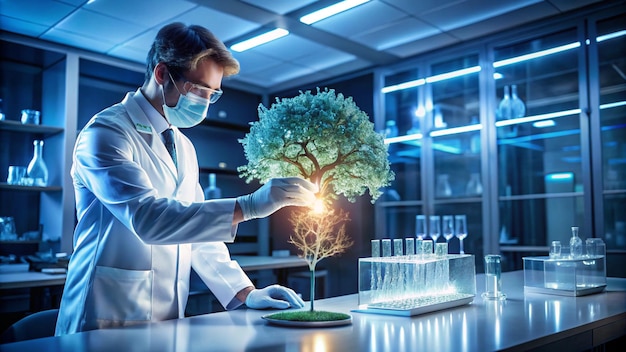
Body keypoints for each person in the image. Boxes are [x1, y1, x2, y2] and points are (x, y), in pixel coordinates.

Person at [55, 22, 318, 335]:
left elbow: (197, 234)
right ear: (162, 74)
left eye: (213, 94)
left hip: (166, 320)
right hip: (104, 314)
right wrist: (248, 206)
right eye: (199, 90)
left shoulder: (183, 146)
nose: (205, 103)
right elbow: (149, 219)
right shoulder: (106, 133)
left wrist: (245, 293)